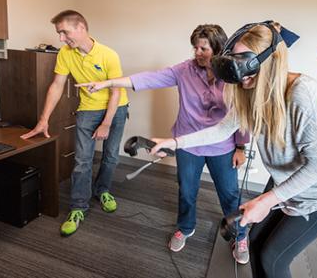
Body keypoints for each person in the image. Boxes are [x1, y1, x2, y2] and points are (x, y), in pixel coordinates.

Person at [149, 22, 317, 278]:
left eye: (246, 63)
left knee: (273, 258)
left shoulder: (304, 94)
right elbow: (222, 130)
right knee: (255, 242)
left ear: (270, 61)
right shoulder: (251, 90)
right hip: (285, 180)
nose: (240, 74)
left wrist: (267, 200)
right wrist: (175, 143)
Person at [76, 24, 251, 263]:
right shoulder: (184, 70)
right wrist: (108, 83)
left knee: (229, 195)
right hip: (186, 144)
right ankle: (186, 227)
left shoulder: (231, 74)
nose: (197, 52)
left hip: (222, 146)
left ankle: (240, 235)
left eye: (203, 48)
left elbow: (242, 115)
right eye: (195, 47)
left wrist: (241, 147)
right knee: (187, 191)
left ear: (218, 48)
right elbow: (150, 78)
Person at [21, 10, 129, 237]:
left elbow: (116, 92)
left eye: (64, 32)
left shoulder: (109, 54)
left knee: (111, 156)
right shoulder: (65, 54)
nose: (61, 38)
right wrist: (43, 119)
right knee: (82, 161)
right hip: (88, 110)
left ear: (81, 28)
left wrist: (107, 123)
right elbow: (57, 86)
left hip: (116, 109)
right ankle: (79, 207)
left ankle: (103, 190)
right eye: (59, 33)